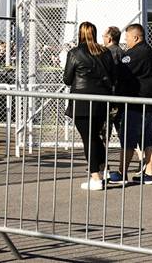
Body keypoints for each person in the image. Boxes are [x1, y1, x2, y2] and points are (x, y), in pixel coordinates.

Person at [63, 22, 117, 191]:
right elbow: (113, 74)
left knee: (89, 138)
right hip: (102, 100)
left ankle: (95, 177)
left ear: (80, 34)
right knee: (94, 136)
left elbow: (67, 78)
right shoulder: (105, 52)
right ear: (94, 33)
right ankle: (103, 168)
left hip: (82, 101)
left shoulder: (74, 53)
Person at [111, 24, 152, 185]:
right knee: (149, 140)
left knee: (128, 140)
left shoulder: (134, 54)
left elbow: (121, 72)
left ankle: (121, 173)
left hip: (136, 104)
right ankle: (149, 174)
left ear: (136, 37)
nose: (126, 41)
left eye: (127, 38)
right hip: (151, 103)